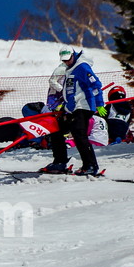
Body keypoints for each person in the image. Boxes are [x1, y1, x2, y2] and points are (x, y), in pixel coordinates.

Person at [43, 47, 105, 175]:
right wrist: (64, 106)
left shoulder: (82, 67)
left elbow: (96, 85)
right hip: (72, 109)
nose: (67, 62)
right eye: (64, 60)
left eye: (69, 59)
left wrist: (99, 104)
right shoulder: (69, 69)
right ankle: (59, 162)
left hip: (83, 107)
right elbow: (70, 91)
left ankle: (90, 166)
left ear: (74, 55)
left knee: (79, 135)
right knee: (56, 129)